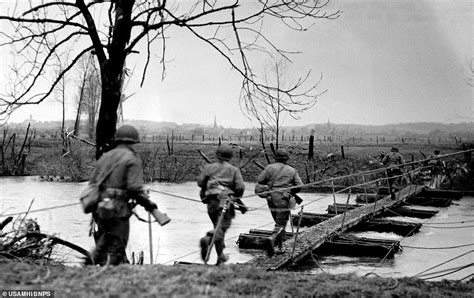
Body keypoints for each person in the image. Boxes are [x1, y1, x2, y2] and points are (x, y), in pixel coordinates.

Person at [86, 124, 168, 266]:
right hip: (119, 209)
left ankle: (89, 265)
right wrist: (149, 205)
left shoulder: (105, 157)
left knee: (104, 240)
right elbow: (134, 188)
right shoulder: (132, 158)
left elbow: (92, 183)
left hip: (101, 208)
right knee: (117, 247)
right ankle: (110, 273)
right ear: (133, 142)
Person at [197, 144, 246, 265]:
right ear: (230, 157)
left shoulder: (209, 167)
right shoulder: (233, 170)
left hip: (211, 202)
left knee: (218, 228)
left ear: (217, 155)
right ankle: (208, 239)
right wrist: (236, 196)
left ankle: (220, 257)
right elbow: (240, 187)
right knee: (222, 227)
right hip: (225, 201)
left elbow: (200, 182)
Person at [256, 148, 303, 256]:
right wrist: (290, 190)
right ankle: (271, 239)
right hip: (283, 199)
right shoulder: (292, 170)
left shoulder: (269, 168)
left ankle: (280, 246)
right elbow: (299, 185)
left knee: (279, 223)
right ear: (287, 158)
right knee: (281, 223)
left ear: (275, 158)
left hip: (270, 198)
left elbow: (260, 180)